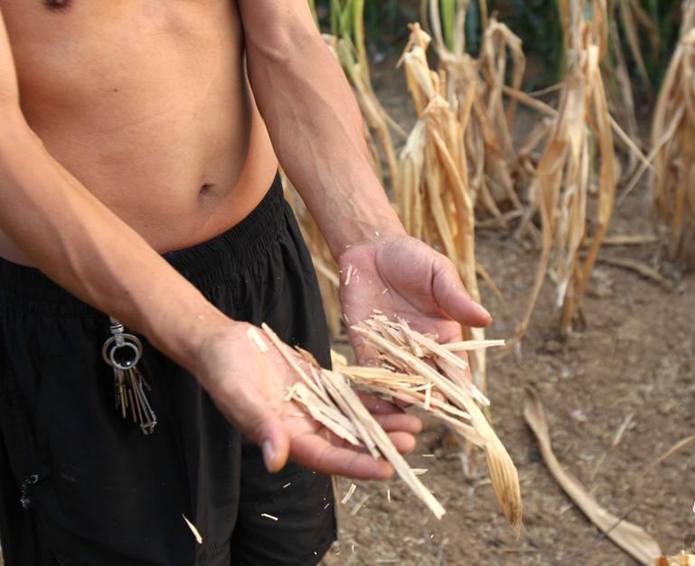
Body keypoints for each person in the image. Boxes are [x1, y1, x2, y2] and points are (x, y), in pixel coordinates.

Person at [0, 1, 491, 564]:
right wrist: (202, 334)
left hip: (261, 271)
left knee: (285, 541)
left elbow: (285, 38)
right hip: (94, 314)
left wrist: (368, 238)